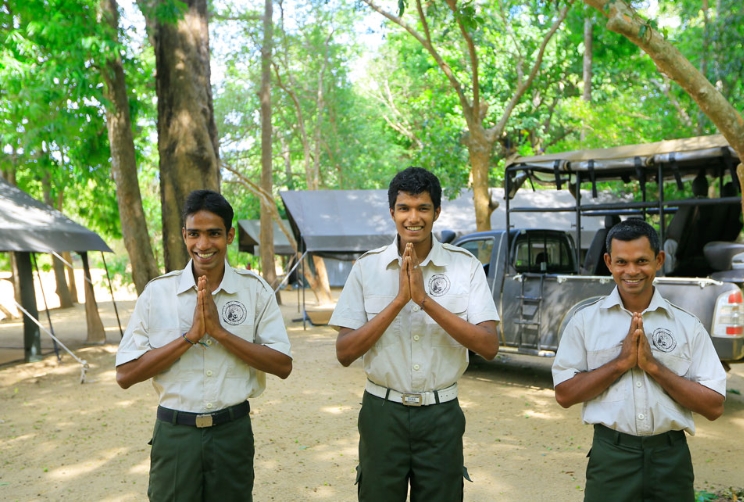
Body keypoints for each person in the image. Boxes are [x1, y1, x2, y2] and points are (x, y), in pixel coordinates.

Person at [330, 167, 500, 502]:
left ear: (437, 212)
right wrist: (399, 301)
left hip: (441, 415)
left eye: (423, 208)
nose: (413, 218)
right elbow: (345, 352)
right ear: (392, 211)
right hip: (382, 413)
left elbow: (489, 346)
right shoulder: (367, 268)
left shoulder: (465, 266)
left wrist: (423, 300)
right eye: (405, 208)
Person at [116, 190, 293, 502]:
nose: (203, 245)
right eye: (194, 234)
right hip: (175, 435)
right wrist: (189, 337)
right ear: (184, 235)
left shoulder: (254, 292)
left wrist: (221, 334)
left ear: (230, 235)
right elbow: (126, 375)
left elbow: (282, 365)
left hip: (231, 433)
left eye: (214, 234)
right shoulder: (157, 294)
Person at [552, 218, 726, 502]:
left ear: (659, 260)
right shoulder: (584, 322)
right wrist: (620, 363)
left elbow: (714, 406)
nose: (632, 271)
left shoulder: (687, 325)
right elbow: (564, 394)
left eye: (642, 260)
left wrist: (654, 367)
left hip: (671, 459)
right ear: (608, 262)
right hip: (611, 458)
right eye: (622, 262)